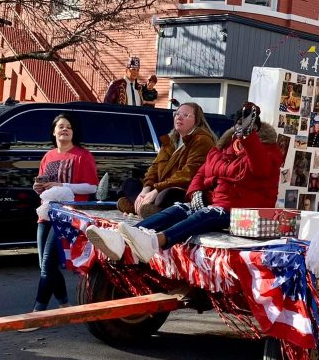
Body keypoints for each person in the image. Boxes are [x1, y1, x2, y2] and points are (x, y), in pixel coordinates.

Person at [85, 103, 284, 261]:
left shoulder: (265, 152)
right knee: (181, 207)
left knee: (204, 212)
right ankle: (121, 239)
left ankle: (154, 242)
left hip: (242, 212)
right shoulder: (223, 148)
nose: (239, 135)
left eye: (246, 132)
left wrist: (248, 141)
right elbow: (199, 174)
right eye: (238, 130)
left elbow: (258, 166)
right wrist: (195, 191)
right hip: (215, 201)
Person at [32, 113, 98, 312]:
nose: (65, 129)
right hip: (46, 214)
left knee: (47, 265)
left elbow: (92, 187)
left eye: (69, 126)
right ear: (54, 131)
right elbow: (44, 185)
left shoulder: (82, 156)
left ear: (74, 132)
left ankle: (37, 312)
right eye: (60, 126)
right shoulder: (48, 156)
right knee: (46, 266)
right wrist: (38, 188)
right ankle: (64, 305)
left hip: (68, 215)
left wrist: (63, 184)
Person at [116, 102, 216, 218]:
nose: (179, 117)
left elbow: (187, 175)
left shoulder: (202, 140)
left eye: (186, 115)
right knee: (129, 184)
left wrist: (157, 190)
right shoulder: (170, 140)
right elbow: (154, 167)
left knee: (165, 195)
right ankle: (145, 208)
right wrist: (146, 189)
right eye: (177, 114)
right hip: (161, 187)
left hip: (183, 189)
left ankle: (137, 207)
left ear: (197, 120)